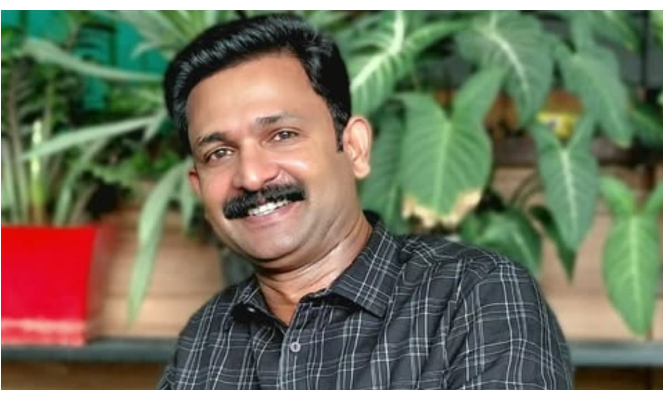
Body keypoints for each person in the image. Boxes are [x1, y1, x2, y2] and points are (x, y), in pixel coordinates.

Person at [158, 13, 573, 390]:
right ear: (199, 187)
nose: (251, 176)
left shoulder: (476, 296)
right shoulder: (204, 339)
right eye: (219, 153)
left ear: (354, 147)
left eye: (282, 135)